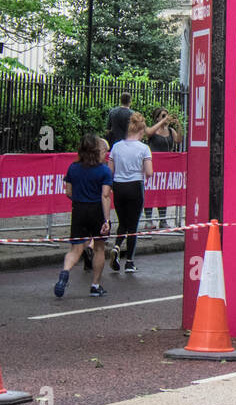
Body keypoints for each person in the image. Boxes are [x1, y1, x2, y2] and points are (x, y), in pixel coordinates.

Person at [55, 133, 115, 298]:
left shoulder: (73, 168)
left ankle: (65, 272)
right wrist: (107, 220)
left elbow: (68, 191)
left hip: (79, 209)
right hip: (96, 210)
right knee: (99, 248)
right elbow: (105, 196)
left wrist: (80, 199)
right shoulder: (103, 170)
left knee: (75, 249)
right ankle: (95, 285)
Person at [108, 112, 153, 273]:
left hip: (119, 186)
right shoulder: (144, 148)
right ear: (141, 131)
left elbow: (110, 171)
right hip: (135, 185)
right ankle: (130, 262)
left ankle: (117, 246)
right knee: (133, 225)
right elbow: (149, 172)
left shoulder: (116, 147)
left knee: (123, 222)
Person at [142, 106, 179, 229]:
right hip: (153, 166)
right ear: (157, 117)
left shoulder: (170, 130)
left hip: (166, 167)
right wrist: (162, 122)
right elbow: (148, 133)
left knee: (163, 194)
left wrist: (178, 125)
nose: (166, 118)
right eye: (163, 115)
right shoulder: (153, 130)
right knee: (151, 193)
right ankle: (149, 220)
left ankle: (163, 220)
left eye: (166, 115)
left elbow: (178, 140)